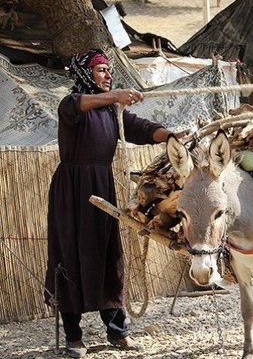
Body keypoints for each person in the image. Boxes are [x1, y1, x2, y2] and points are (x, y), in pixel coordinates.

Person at [43, 49, 175, 358]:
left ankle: (117, 332)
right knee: (70, 254)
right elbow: (78, 104)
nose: (107, 75)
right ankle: (74, 337)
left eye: (108, 70)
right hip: (72, 189)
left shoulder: (111, 112)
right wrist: (116, 95)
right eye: (101, 70)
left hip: (101, 185)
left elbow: (141, 128)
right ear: (86, 75)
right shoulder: (72, 105)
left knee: (108, 251)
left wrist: (171, 136)